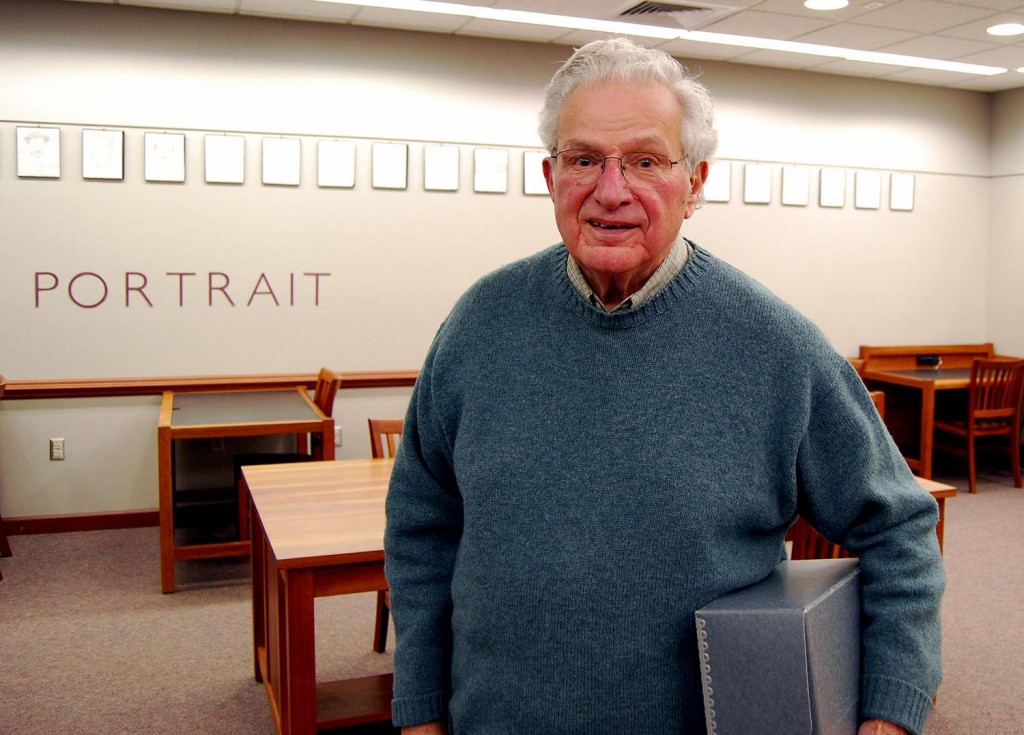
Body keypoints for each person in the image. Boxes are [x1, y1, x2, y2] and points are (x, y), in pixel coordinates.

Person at [384, 38, 944, 735]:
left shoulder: (775, 345)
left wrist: (891, 709)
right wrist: (419, 711)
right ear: (550, 175)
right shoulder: (478, 324)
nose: (610, 190)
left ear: (696, 182)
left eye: (645, 161)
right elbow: (419, 525)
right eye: (584, 159)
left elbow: (899, 525)